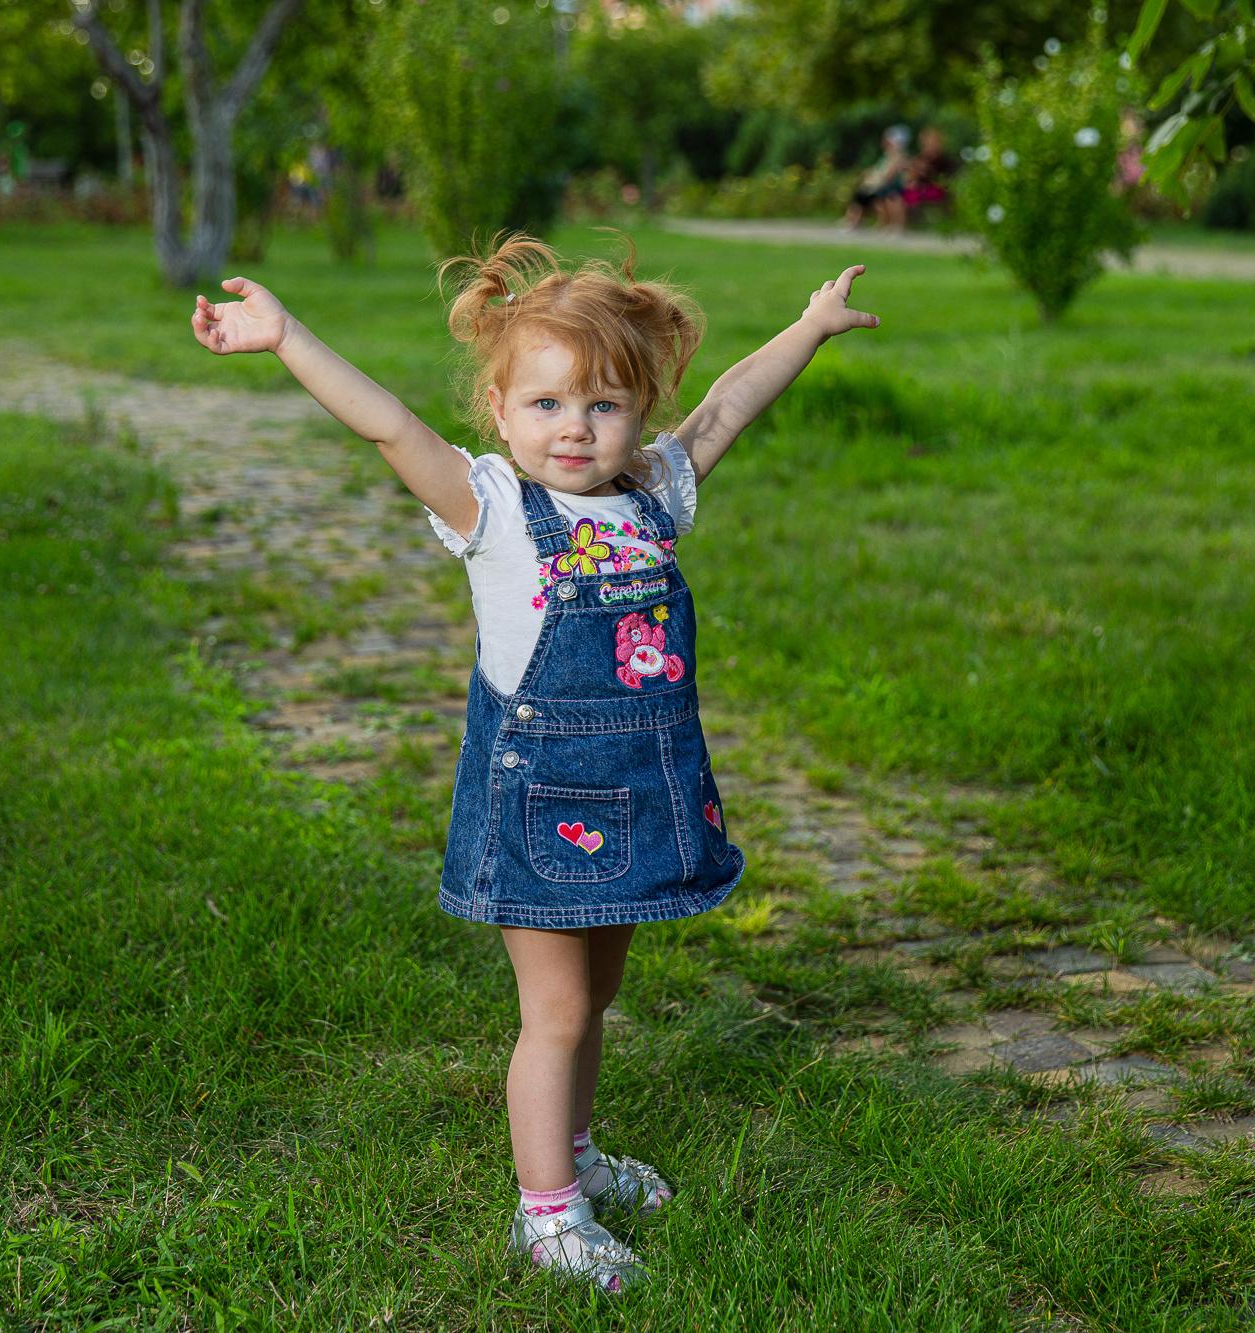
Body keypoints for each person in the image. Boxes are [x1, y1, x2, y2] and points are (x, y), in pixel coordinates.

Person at [190, 236, 879, 1294]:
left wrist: (807, 326)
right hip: (540, 808)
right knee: (553, 1011)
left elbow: (730, 405)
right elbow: (386, 424)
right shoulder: (495, 513)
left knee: (597, 994)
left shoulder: (655, 495)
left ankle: (577, 1153)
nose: (575, 428)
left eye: (603, 405)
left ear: (638, 413)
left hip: (637, 798)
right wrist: (286, 338)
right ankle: (546, 1213)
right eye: (548, 405)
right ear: (501, 415)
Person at [843, 125, 911, 229]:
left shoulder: (898, 156)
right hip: (882, 185)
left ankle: (857, 222)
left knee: (877, 196)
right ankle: (853, 220)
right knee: (861, 194)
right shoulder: (887, 156)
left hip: (889, 186)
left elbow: (890, 175)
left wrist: (876, 184)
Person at [899, 126, 957, 226]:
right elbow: (911, 178)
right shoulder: (920, 158)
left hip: (936, 189)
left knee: (915, 194)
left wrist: (925, 172)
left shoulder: (944, 159)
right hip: (920, 188)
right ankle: (902, 224)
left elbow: (945, 180)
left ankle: (909, 224)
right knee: (901, 193)